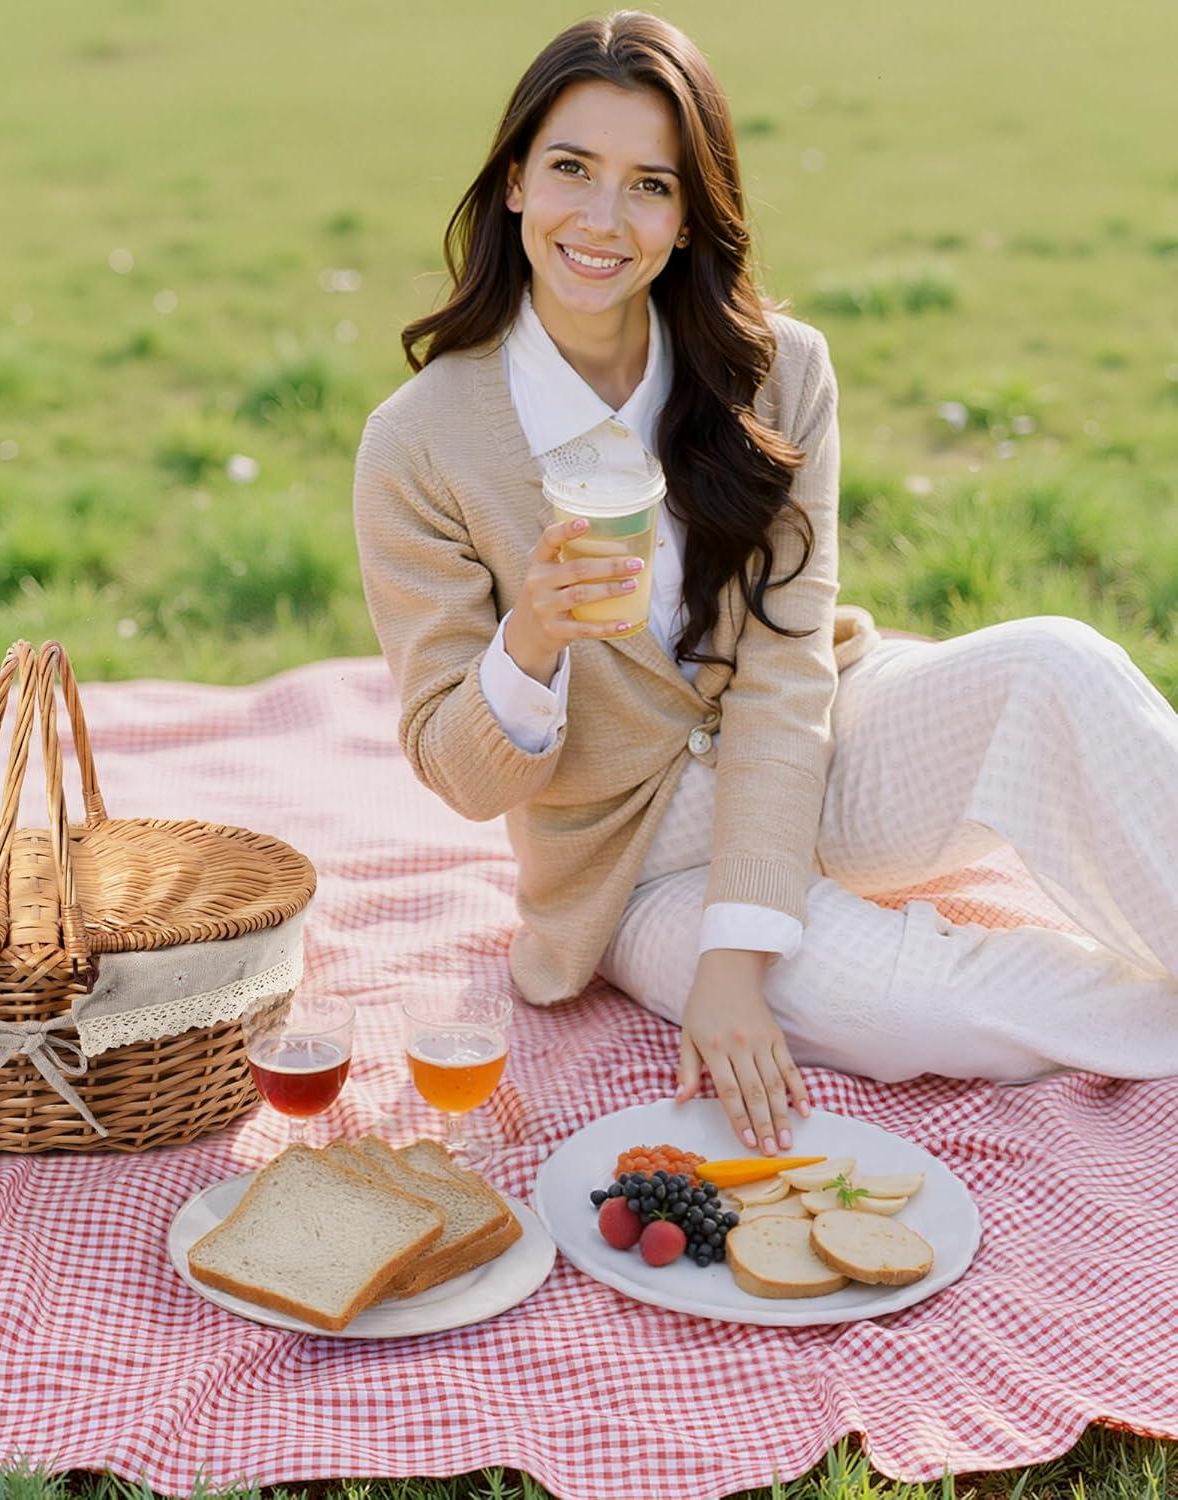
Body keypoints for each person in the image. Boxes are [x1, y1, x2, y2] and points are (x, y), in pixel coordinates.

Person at [351, 10, 1178, 1153]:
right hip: (632, 855)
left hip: (814, 741)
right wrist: (529, 644)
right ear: (511, 184)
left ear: (690, 218)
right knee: (897, 1005)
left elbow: (787, 667)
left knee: (1058, 664)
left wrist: (739, 960)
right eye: (572, 171)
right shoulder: (419, 441)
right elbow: (458, 773)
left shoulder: (780, 372)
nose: (603, 219)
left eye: (650, 185)